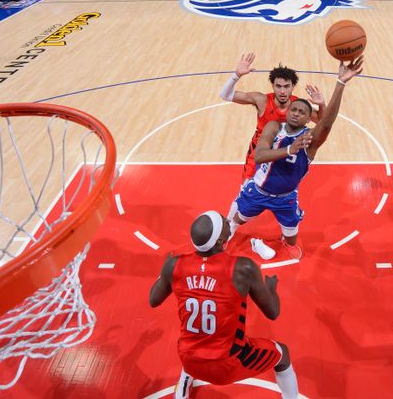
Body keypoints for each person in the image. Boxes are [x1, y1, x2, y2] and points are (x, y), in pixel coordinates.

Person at [149, 211, 299, 399]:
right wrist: (271, 288)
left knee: (197, 340)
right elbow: (273, 312)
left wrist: (165, 273)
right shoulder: (243, 268)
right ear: (220, 241)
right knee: (282, 354)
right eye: (224, 222)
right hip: (226, 364)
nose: (228, 221)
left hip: (188, 358)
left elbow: (153, 300)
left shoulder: (173, 264)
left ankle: (184, 384)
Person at [230, 58, 364, 259]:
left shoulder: (310, 141)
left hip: (286, 198)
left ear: (308, 118)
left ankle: (285, 241)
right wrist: (289, 150)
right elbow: (259, 156)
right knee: (237, 219)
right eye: (293, 109)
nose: (295, 113)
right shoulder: (273, 127)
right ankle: (228, 227)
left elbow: (327, 122)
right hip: (257, 191)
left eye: (302, 112)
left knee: (291, 237)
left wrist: (341, 83)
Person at [220, 53, 326, 182]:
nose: (282, 91)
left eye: (286, 86)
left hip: (284, 151)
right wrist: (236, 75)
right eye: (278, 86)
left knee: (277, 192)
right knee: (247, 188)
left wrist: (321, 105)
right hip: (259, 150)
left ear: (293, 86)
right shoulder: (262, 100)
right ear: (273, 86)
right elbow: (225, 95)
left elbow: (322, 123)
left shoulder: (298, 105)